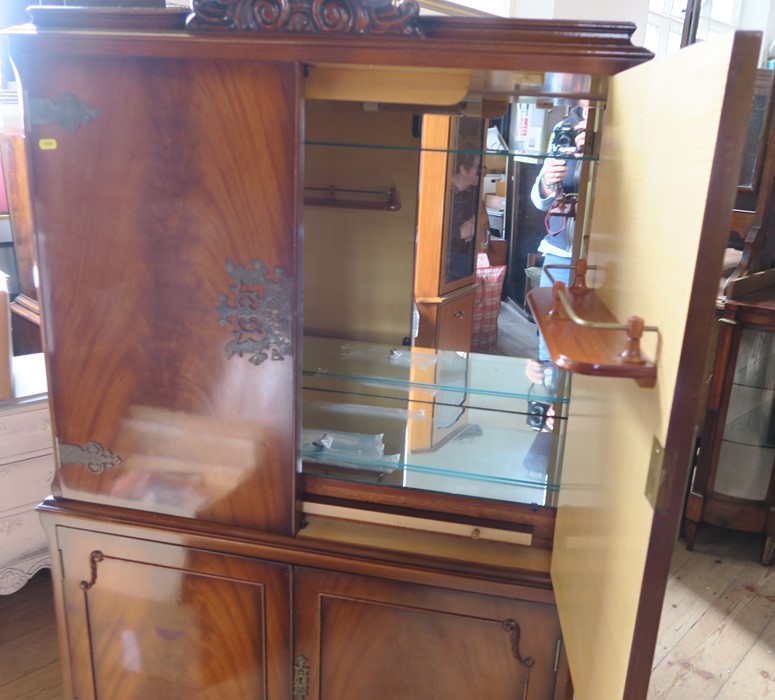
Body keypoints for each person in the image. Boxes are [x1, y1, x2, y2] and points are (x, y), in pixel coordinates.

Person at [530, 105, 587, 362]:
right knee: (551, 335)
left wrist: (603, 152)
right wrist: (546, 181)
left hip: (605, 254)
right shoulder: (563, 126)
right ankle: (551, 400)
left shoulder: (626, 127)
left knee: (591, 337)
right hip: (560, 252)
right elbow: (539, 200)